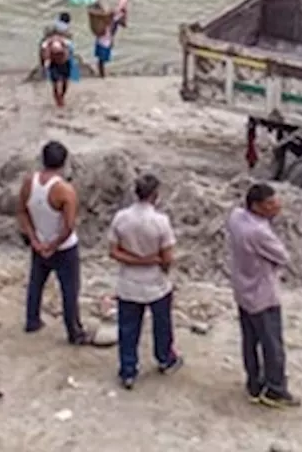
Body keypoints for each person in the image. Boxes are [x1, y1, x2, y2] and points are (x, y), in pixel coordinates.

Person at [108, 173, 182, 389]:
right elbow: (167, 257)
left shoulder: (121, 218)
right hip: (155, 282)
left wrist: (135, 260)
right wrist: (154, 262)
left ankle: (128, 370)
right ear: (155, 195)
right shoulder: (161, 221)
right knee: (162, 325)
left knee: (128, 327)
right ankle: (165, 358)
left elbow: (113, 252)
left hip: (128, 281)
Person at [227, 183, 298, 408]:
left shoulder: (236, 217)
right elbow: (283, 257)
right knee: (272, 345)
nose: (276, 208)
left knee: (250, 341)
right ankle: (275, 389)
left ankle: (254, 385)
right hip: (263, 295)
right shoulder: (259, 232)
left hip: (243, 290)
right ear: (256, 206)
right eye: (271, 205)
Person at [18, 140, 91, 345]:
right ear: (64, 162)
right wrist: (53, 245)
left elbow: (22, 211)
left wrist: (35, 240)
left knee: (35, 284)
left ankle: (32, 320)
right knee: (69, 290)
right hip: (63, 248)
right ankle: (74, 332)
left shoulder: (28, 182)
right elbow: (68, 226)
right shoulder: (65, 191)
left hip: (39, 243)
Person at [40, 19, 76, 108]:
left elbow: (43, 54)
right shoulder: (47, 43)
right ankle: (59, 99)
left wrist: (44, 64)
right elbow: (44, 54)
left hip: (61, 62)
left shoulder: (49, 43)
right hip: (57, 63)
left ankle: (60, 97)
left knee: (61, 83)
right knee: (58, 83)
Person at [93, 0, 129, 79]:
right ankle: (102, 75)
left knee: (101, 59)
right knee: (102, 59)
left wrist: (124, 13)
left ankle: (101, 74)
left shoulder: (108, 16)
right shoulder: (109, 16)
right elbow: (123, 24)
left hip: (104, 39)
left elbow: (123, 24)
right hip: (104, 40)